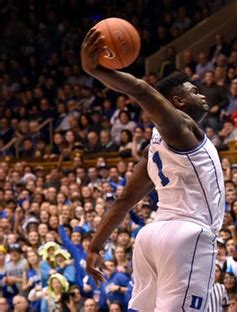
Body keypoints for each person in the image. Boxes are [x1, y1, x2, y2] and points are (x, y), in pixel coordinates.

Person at [81, 28, 225, 311]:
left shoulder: (154, 148)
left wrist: (95, 246)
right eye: (192, 91)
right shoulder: (182, 128)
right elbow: (141, 89)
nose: (200, 93)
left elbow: (123, 201)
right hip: (188, 234)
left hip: (151, 237)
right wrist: (94, 70)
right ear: (178, 102)